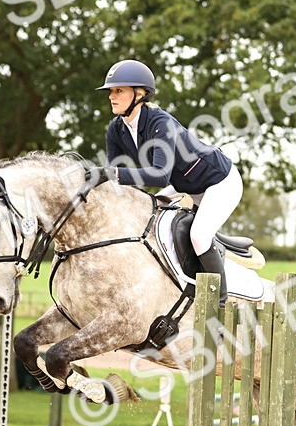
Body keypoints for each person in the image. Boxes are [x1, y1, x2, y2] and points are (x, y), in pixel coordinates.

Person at [85, 59, 241, 305]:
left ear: (140, 94)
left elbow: (159, 175)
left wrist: (112, 174)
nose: (111, 97)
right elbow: (115, 178)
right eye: (111, 91)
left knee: (199, 235)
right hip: (185, 186)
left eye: (118, 91)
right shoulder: (115, 129)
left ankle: (218, 305)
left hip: (220, 182)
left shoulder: (160, 123)